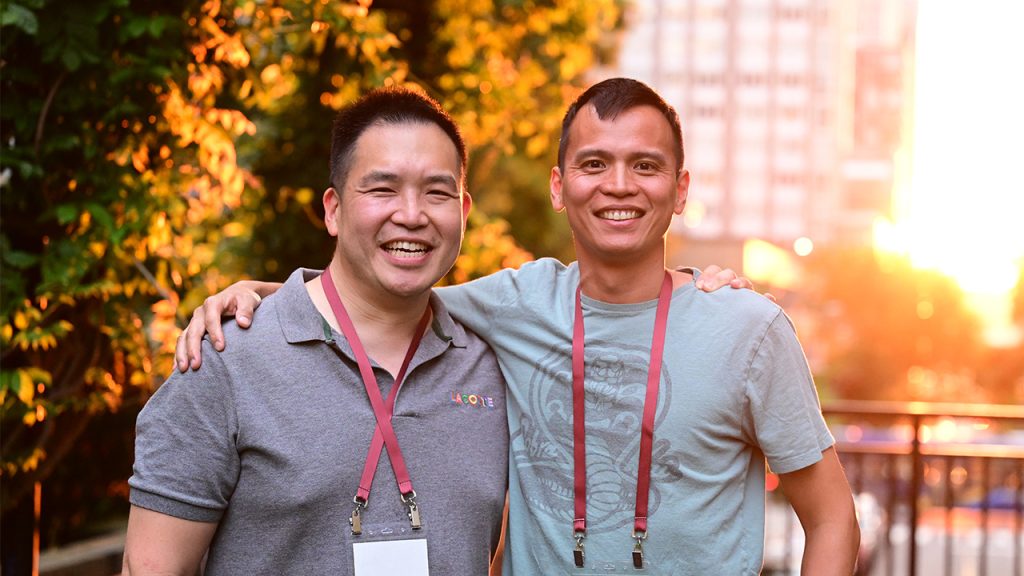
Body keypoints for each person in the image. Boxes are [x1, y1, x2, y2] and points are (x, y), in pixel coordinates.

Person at [176, 78, 859, 574]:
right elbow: (376, 289)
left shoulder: (750, 328)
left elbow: (831, 518)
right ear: (560, 186)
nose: (619, 185)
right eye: (594, 164)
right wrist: (264, 295)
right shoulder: (515, 302)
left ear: (680, 189)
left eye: (645, 166)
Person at [123, 87, 512, 575]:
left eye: (437, 192)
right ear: (333, 209)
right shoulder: (225, 360)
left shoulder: (494, 366)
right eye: (382, 189)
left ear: (463, 212)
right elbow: (151, 568)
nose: (411, 215)